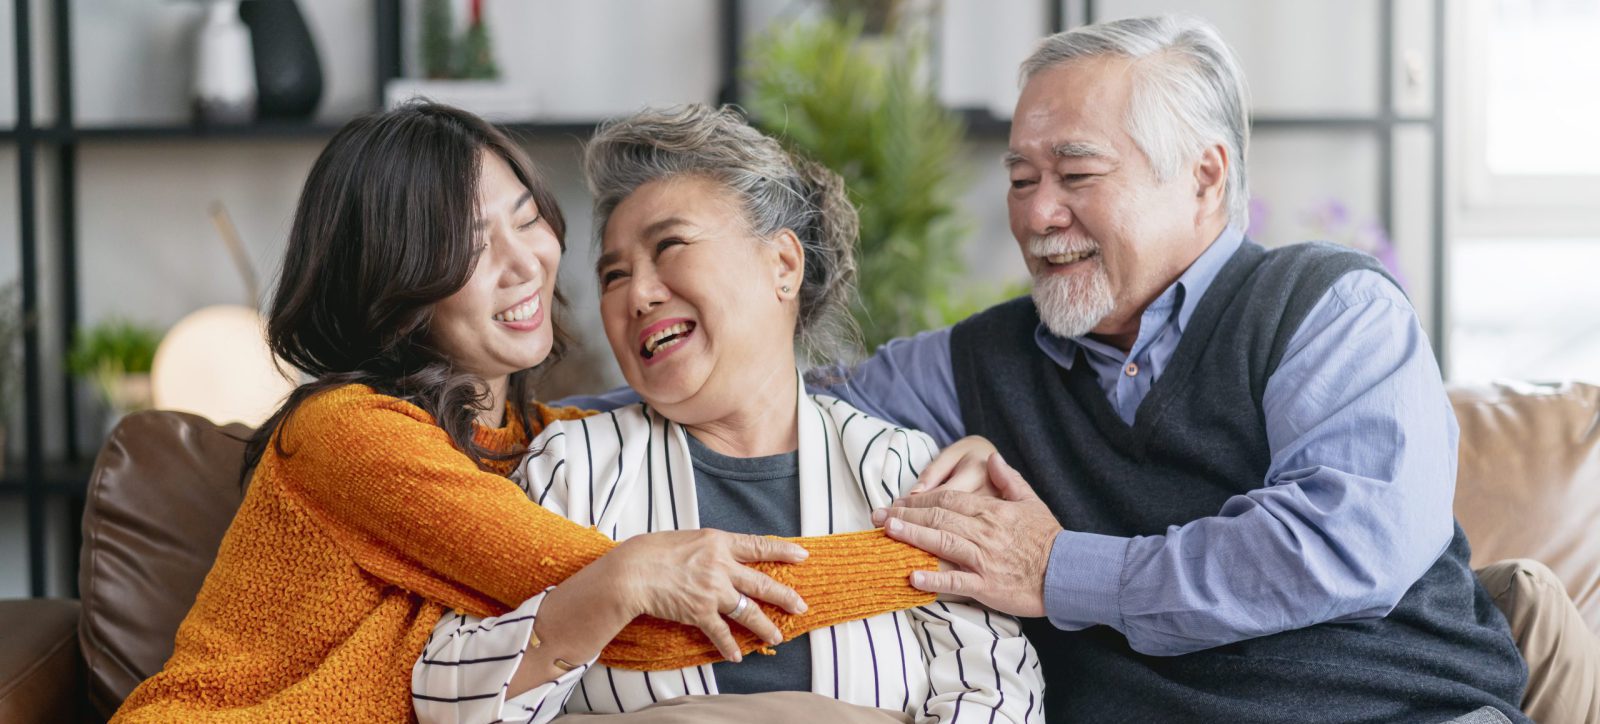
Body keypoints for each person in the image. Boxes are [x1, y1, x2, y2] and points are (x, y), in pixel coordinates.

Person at [112, 103, 943, 723]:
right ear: (394, 287)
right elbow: (642, 624)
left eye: (525, 219)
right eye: (468, 248)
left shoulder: (544, 442)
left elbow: (748, 396)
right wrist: (933, 561)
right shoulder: (349, 432)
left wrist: (950, 448)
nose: (524, 264)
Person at [817, 16, 1530, 723]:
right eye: (1022, 178)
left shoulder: (1329, 309)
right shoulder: (972, 364)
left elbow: (1343, 540)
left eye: (1076, 174)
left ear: (1204, 176)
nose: (1037, 214)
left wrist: (1057, 570)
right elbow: (780, 418)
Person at [410, 104, 1044, 724]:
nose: (638, 292)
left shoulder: (907, 475)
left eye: (671, 245)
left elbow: (1001, 695)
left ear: (783, 265)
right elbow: (445, 694)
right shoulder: (573, 471)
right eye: (613, 276)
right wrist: (617, 584)